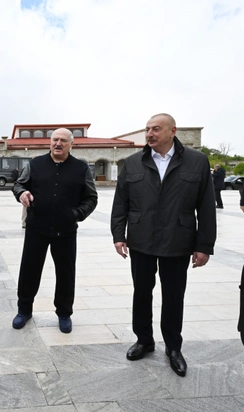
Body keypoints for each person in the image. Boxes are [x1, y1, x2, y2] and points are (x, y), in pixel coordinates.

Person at [110, 113, 216, 377]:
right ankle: (144, 340)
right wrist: (118, 235)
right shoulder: (133, 163)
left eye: (156, 129)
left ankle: (173, 347)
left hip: (178, 240)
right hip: (141, 239)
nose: (149, 134)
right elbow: (120, 202)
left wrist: (204, 245)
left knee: (173, 295)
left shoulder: (197, 161)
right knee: (142, 292)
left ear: (172, 131)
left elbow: (206, 207)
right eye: (147, 129)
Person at [11, 128, 98, 334]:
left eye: (63, 141)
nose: (58, 143)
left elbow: (91, 198)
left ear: (71, 144)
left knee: (66, 273)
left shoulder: (80, 168)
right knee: (29, 271)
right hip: (36, 228)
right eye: (55, 140)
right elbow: (18, 185)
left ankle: (64, 313)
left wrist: (76, 214)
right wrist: (21, 193)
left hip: (66, 230)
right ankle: (24, 310)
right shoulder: (35, 164)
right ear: (50, 142)